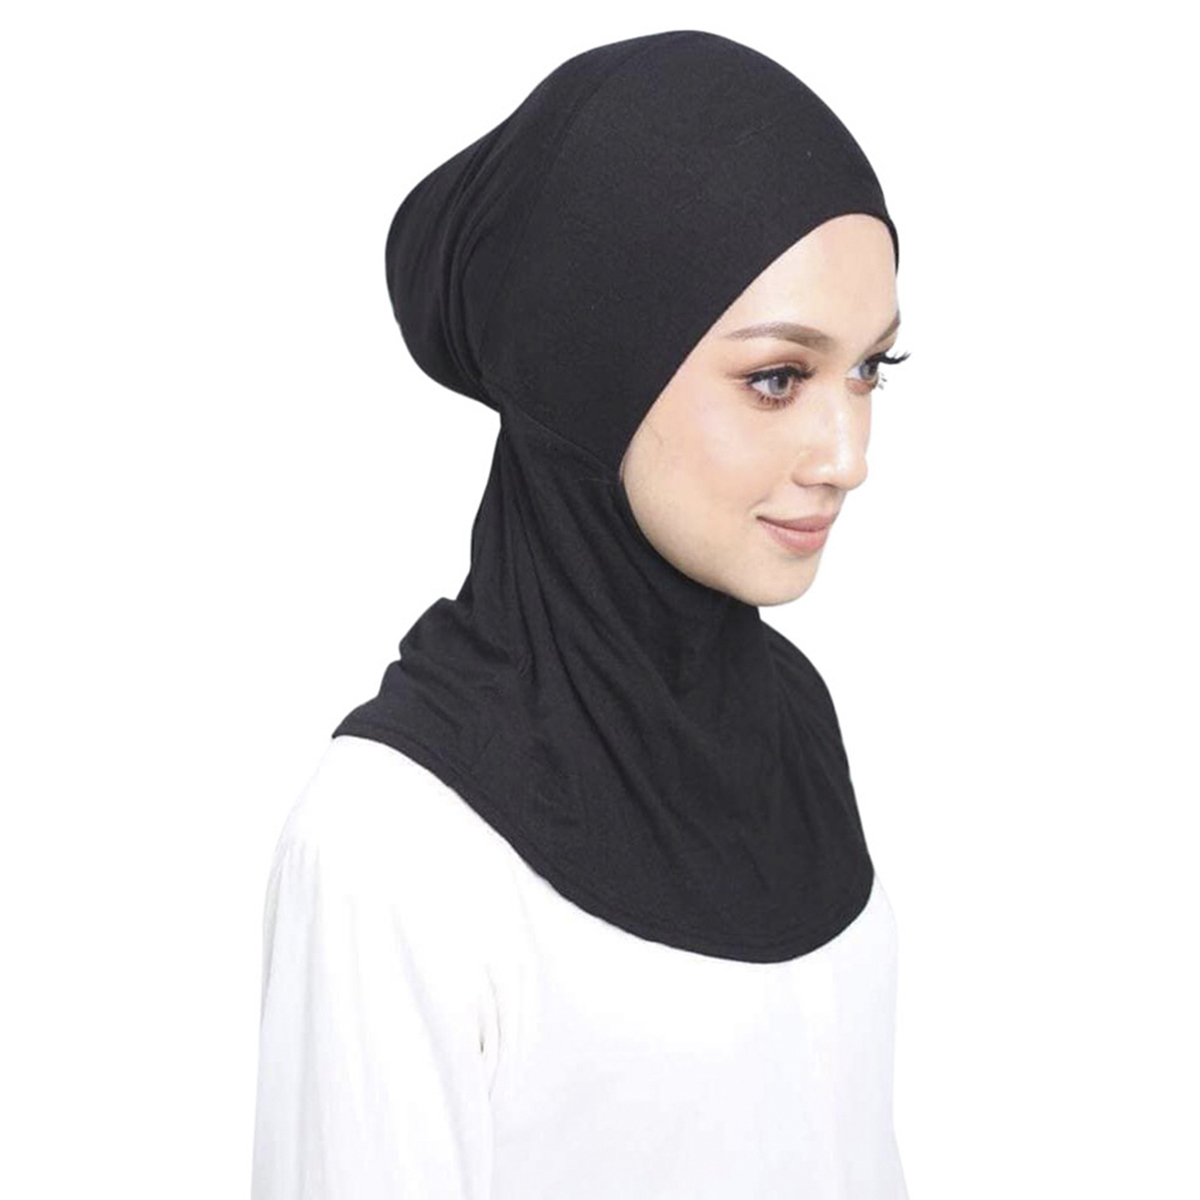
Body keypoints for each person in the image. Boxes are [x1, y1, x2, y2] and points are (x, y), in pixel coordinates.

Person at [252, 28, 911, 1198]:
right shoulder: (391, 847)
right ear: (594, 369)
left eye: (871, 370)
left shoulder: (793, 724)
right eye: (777, 378)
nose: (848, 455)